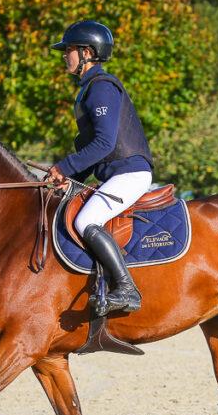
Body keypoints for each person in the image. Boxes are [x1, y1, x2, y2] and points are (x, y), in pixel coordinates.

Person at [45, 20, 153, 315]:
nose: (64, 56)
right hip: (116, 173)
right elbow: (91, 151)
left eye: (68, 50)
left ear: (87, 52)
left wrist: (65, 166)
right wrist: (70, 178)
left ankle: (127, 290)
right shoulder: (88, 89)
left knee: (85, 221)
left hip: (130, 172)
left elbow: (105, 144)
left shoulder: (101, 87)